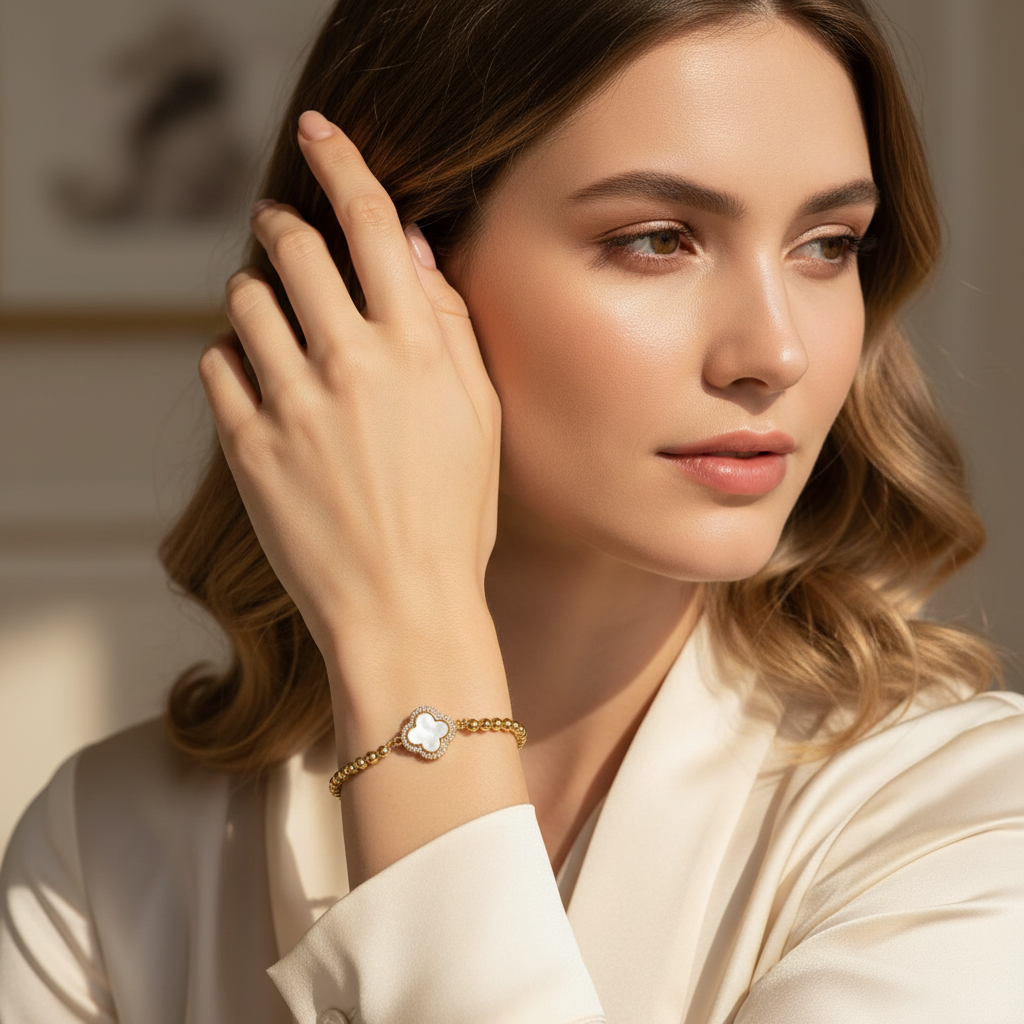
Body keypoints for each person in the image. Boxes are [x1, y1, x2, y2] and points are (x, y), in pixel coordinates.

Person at [2, 0, 1022, 1020]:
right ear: (385, 278)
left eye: (827, 244)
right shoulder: (107, 849)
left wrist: (410, 660)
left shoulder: (965, 815)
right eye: (657, 239)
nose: (776, 353)